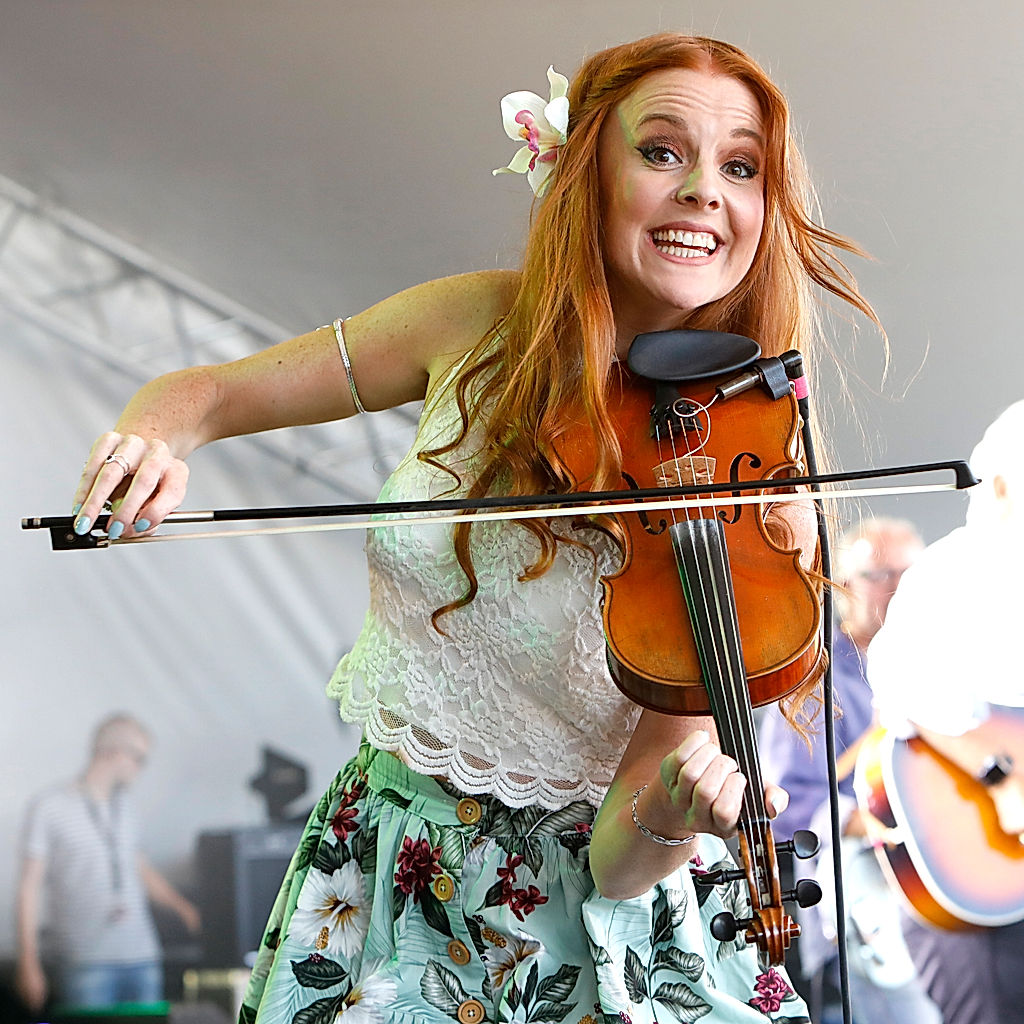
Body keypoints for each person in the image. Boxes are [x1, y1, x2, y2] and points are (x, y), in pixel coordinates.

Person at [69, 34, 883, 1024]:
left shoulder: (748, 476)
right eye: (662, 150)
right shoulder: (472, 327)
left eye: (740, 166)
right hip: (379, 877)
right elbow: (202, 391)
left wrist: (669, 812)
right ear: (587, 170)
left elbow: (620, 856)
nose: (705, 189)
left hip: (584, 934)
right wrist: (154, 439)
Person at [866, 400, 1024, 1024]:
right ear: (1005, 482)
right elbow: (904, 684)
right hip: (975, 872)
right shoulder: (954, 571)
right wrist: (1001, 779)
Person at [759, 517, 941, 1024]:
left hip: (953, 879)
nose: (901, 586)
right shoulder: (816, 679)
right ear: (845, 586)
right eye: (881, 573)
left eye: (911, 571)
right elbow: (785, 807)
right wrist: (874, 817)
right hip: (871, 904)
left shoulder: (944, 662)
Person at [14, 713, 201, 1013]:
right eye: (140, 758)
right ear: (113, 753)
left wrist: (183, 908)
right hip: (85, 961)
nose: (141, 768)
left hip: (141, 958)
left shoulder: (125, 806)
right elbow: (28, 888)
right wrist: (28, 961)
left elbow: (139, 869)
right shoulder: (49, 806)